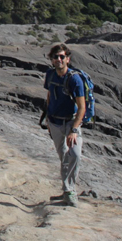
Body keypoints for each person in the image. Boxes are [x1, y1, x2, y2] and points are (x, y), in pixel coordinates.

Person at [41, 43, 86, 207]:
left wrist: (74, 130)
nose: (58, 59)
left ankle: (70, 190)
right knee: (64, 157)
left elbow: (82, 107)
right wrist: (47, 115)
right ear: (52, 60)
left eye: (62, 57)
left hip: (70, 121)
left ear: (68, 59)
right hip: (54, 121)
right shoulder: (50, 74)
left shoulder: (75, 79)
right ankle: (67, 190)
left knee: (74, 155)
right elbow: (49, 95)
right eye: (55, 57)